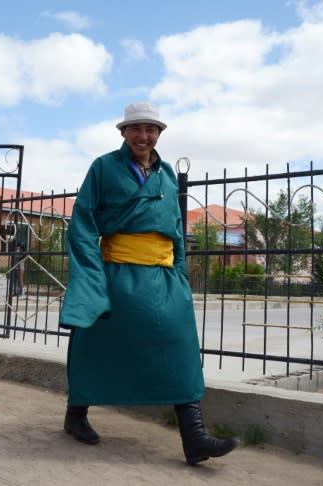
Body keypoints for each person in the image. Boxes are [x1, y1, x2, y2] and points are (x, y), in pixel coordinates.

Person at [58, 102, 238, 465]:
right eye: (136, 128)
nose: (144, 136)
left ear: (159, 133)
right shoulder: (103, 167)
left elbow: (175, 231)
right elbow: (82, 223)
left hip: (164, 276)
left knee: (181, 347)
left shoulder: (168, 174)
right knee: (95, 344)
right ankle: (76, 415)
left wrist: (181, 277)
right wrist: (92, 278)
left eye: (151, 129)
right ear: (123, 132)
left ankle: (195, 437)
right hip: (117, 274)